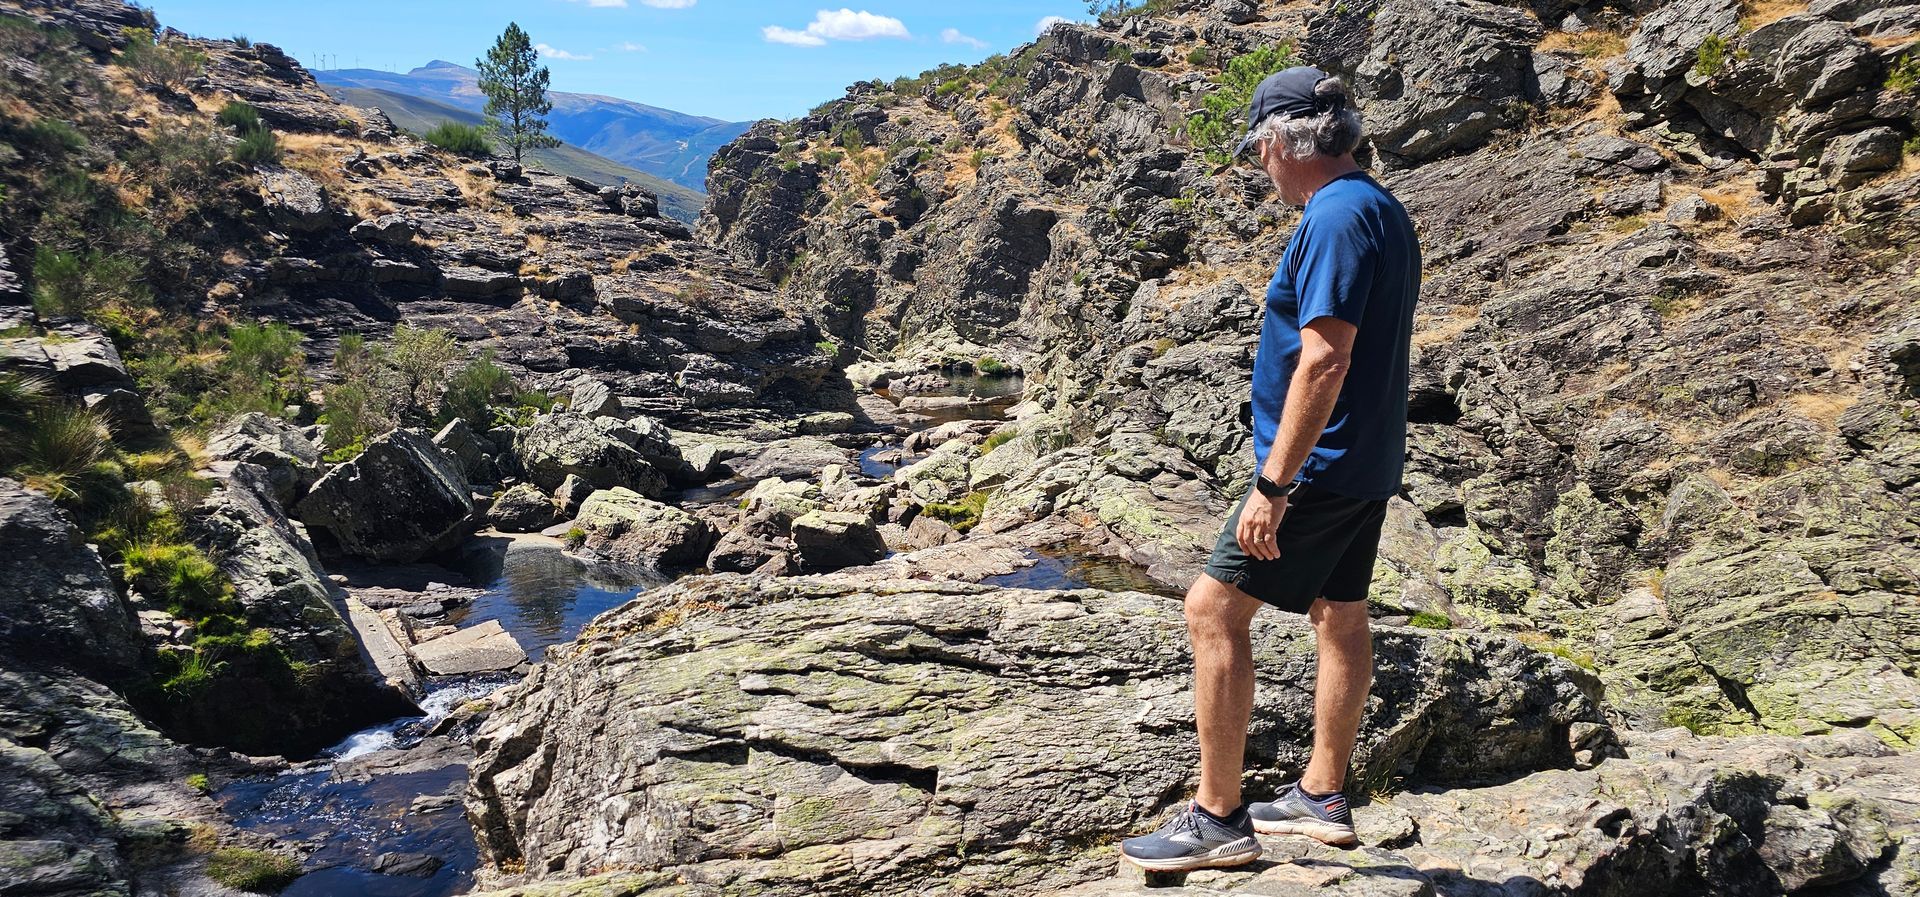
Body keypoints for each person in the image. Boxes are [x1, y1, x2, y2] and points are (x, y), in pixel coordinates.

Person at [1118, 65, 1421, 872]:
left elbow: (1324, 358)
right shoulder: (1381, 206)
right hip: (1367, 457)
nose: (1262, 168)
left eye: (1259, 150)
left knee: (1213, 610)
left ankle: (1217, 817)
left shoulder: (1335, 215)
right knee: (1341, 609)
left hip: (1319, 465)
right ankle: (1321, 794)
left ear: (1281, 141)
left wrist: (1272, 485)